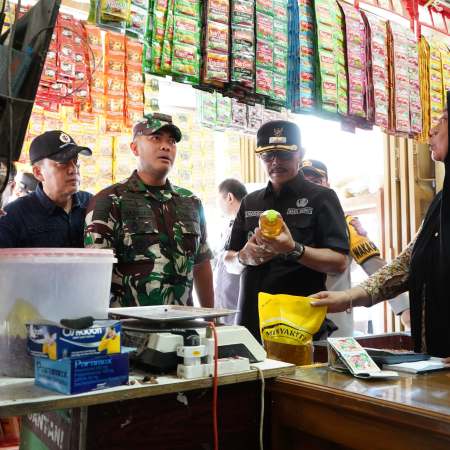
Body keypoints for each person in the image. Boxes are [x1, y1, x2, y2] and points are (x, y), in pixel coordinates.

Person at [311, 96, 450, 359]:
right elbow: (404, 265)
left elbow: (374, 264)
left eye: (443, 120)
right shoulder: (440, 204)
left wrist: (402, 310)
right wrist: (347, 297)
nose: (432, 130)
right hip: (435, 360)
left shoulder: (346, 225)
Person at [224, 120, 349, 340]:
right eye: (267, 155)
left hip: (299, 322)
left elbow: (339, 262)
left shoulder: (322, 198)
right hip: (252, 321)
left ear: (301, 153)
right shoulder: (250, 202)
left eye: (284, 154)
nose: (275, 162)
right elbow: (229, 261)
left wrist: (293, 249)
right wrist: (243, 257)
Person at [85, 113, 214, 308]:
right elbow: (94, 274)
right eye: (156, 138)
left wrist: (210, 318)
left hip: (183, 323)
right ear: (135, 148)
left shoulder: (191, 202)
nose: (166, 146)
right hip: (129, 324)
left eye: (171, 141)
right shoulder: (110, 200)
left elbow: (201, 263)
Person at [301, 159, 410, 336]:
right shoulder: (281, 228)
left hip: (334, 329)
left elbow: (378, 269)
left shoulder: (347, 226)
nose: (311, 188)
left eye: (316, 181)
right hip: (291, 324)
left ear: (328, 185)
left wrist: (404, 310)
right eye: (304, 182)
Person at [0, 130, 92, 247]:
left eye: (75, 161)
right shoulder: (13, 215)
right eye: (63, 162)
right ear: (38, 172)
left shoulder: (92, 204)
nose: (73, 169)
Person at [214, 178, 247, 324]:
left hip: (237, 309)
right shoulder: (228, 226)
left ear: (229, 197)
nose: (217, 205)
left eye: (218, 199)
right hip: (223, 308)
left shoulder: (248, 226)